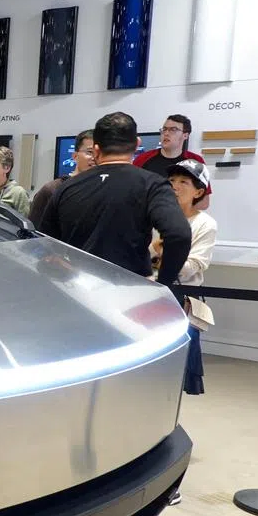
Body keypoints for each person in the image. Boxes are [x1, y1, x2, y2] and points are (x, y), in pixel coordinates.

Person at [38, 111, 191, 288]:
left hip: (78, 290)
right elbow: (179, 234)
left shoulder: (66, 187)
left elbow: (45, 243)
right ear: (137, 144)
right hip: (130, 292)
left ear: (96, 149)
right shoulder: (152, 184)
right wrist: (163, 283)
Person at [152, 158, 218, 395]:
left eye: (183, 182)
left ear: (198, 191)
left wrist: (162, 254)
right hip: (152, 294)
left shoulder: (204, 224)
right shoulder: (156, 218)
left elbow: (194, 265)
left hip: (183, 297)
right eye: (171, 181)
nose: (175, 187)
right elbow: (146, 253)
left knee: (180, 359)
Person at [134, 114, 211, 209]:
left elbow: (204, 202)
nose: (166, 133)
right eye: (164, 129)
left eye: (173, 130)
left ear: (185, 135)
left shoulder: (196, 161)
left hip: (182, 219)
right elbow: (132, 193)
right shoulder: (142, 158)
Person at [28, 130, 94, 225]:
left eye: (100, 153)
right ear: (75, 156)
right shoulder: (52, 190)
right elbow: (33, 231)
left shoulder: (104, 190)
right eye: (90, 152)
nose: (95, 157)